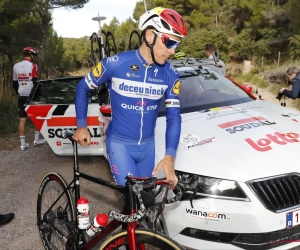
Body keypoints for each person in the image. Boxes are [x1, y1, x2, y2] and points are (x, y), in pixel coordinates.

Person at [73, 7, 187, 188]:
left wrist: (170, 155)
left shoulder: (170, 74)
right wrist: (81, 126)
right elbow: (82, 87)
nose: (173, 51)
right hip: (120, 145)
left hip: (148, 147)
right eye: (169, 42)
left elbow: (174, 117)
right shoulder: (116, 64)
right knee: (133, 199)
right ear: (150, 36)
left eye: (176, 44)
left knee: (148, 202)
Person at [13, 47, 46, 151]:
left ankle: (23, 145)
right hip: (32, 95)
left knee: (22, 120)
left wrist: (18, 91)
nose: (34, 57)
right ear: (31, 55)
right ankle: (37, 140)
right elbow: (35, 80)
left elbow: (14, 82)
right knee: (37, 118)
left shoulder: (16, 66)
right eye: (34, 55)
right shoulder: (33, 66)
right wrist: (39, 94)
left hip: (21, 95)